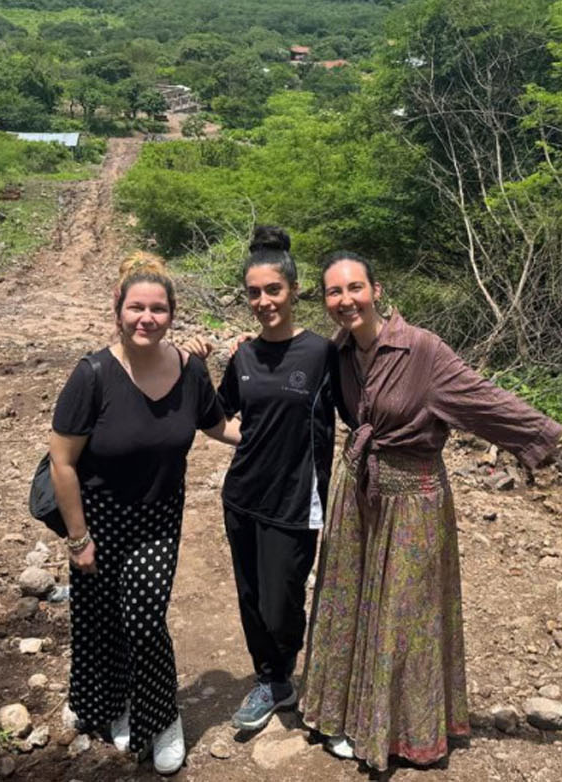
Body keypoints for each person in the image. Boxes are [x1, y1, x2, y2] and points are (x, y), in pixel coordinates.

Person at [298, 250, 562, 770]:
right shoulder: (338, 352)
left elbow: (487, 402)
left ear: (377, 290)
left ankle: (400, 730)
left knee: (404, 618)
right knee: (349, 601)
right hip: (357, 491)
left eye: (354, 288)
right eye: (334, 292)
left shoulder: (421, 351)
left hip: (413, 499)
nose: (345, 300)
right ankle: (342, 714)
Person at [48, 254, 238, 774]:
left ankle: (162, 717)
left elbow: (218, 426)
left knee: (145, 621)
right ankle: (108, 704)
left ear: (172, 314)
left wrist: (277, 438)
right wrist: (77, 538)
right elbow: (63, 463)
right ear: (118, 310)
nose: (146, 318)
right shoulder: (92, 374)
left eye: (157, 308)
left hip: (157, 518)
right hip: (97, 517)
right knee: (98, 616)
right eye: (136, 307)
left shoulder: (190, 370)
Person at [209, 227, 353, 732]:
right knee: (250, 597)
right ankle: (270, 680)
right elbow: (219, 416)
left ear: (293, 292)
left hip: (296, 500)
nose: (264, 301)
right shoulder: (244, 356)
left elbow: (360, 413)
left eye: (273, 290)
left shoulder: (321, 355)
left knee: (281, 601)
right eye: (254, 292)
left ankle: (283, 670)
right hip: (242, 496)